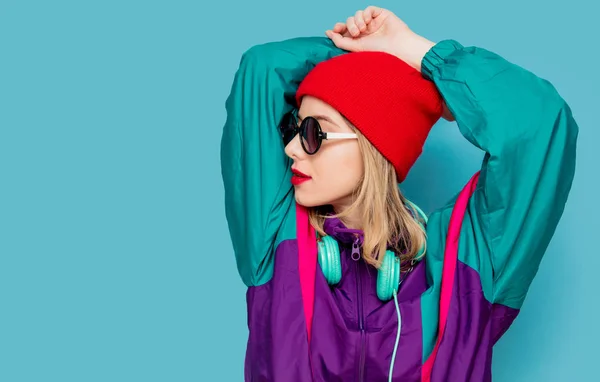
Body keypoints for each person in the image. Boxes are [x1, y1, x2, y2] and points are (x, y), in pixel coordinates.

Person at [220, 6, 578, 382]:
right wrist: (378, 56)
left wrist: (416, 53)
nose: (292, 148)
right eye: (292, 130)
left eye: (312, 133)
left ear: (374, 146)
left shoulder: (469, 260)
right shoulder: (275, 235)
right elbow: (262, 69)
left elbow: (539, 124)